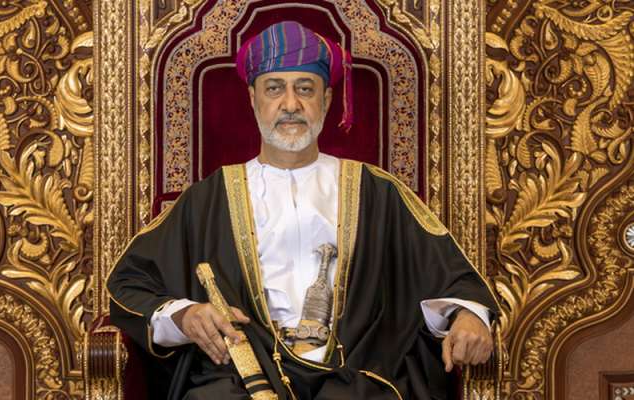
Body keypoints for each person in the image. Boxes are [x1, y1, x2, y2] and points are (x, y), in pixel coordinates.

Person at [107, 21, 498, 400]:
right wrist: (185, 315)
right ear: (253, 98)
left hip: (356, 377)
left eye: (305, 89)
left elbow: (450, 278)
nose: (291, 104)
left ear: (325, 100)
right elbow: (130, 285)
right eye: (274, 88)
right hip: (240, 378)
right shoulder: (208, 200)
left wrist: (467, 315)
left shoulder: (377, 193)